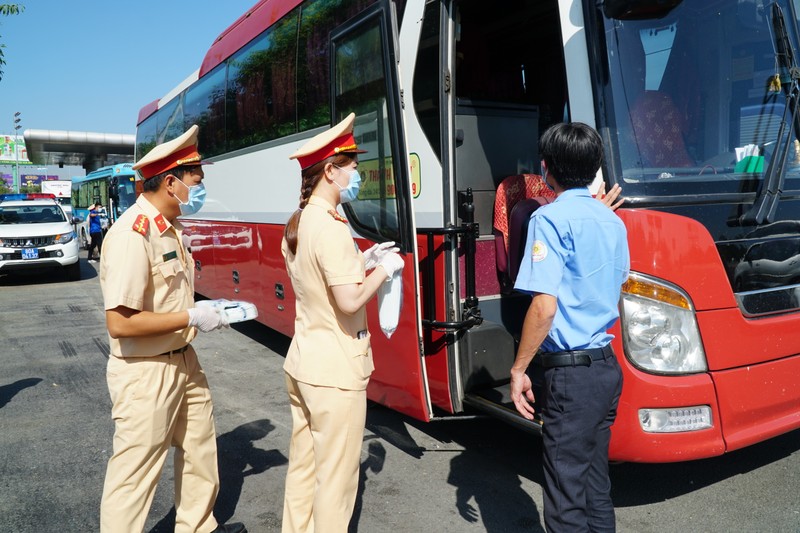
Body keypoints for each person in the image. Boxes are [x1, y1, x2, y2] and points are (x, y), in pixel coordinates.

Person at [98, 125, 246, 533]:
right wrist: (192, 316)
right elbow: (120, 322)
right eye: (196, 180)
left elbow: (168, 300)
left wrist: (203, 309)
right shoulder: (133, 234)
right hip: (146, 372)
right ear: (170, 182)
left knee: (200, 451)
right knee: (135, 475)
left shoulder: (172, 229)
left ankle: (197, 527)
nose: (200, 188)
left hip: (184, 362)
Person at [280, 113, 404, 533]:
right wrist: (385, 269)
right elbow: (349, 301)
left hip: (304, 363)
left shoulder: (299, 222)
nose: (357, 173)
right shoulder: (331, 227)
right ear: (329, 171)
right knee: (335, 483)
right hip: (335, 372)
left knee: (303, 472)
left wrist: (362, 260)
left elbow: (315, 281)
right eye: (351, 165)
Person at [509, 122, 630, 532]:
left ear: (546, 169)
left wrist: (519, 369)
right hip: (606, 369)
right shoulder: (613, 222)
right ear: (596, 167)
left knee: (564, 499)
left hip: (571, 375)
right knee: (596, 487)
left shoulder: (549, 219)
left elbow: (543, 307)